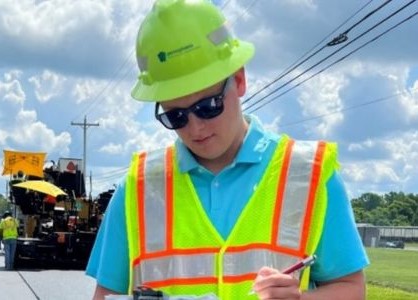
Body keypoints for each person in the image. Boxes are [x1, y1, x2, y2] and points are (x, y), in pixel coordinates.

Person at [86, 0, 369, 299]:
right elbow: (106, 295)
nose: (195, 129)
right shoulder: (137, 188)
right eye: (175, 116)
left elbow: (351, 288)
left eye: (208, 106)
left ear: (239, 80)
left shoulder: (308, 175)